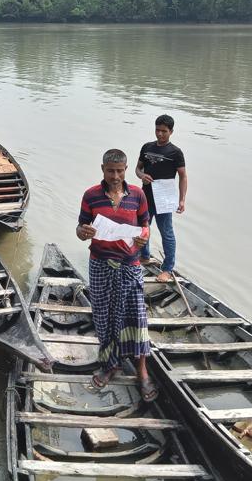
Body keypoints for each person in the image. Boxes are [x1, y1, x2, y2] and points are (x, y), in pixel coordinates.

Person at [76, 148, 157, 402]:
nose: (115, 176)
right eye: (110, 171)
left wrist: (144, 238)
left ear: (126, 169)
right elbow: (80, 228)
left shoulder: (138, 195)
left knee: (136, 317)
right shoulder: (91, 196)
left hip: (130, 264)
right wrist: (83, 232)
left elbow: (145, 227)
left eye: (119, 171)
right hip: (100, 263)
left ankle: (142, 371)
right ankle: (111, 365)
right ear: (102, 169)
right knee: (104, 317)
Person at [135, 114, 187, 283]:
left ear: (171, 131)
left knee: (167, 233)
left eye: (164, 131)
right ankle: (143, 256)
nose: (160, 134)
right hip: (146, 197)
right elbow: (137, 169)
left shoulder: (175, 152)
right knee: (143, 229)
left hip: (164, 199)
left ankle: (167, 269)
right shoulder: (147, 147)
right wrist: (142, 176)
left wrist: (181, 200)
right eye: (157, 130)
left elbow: (183, 176)